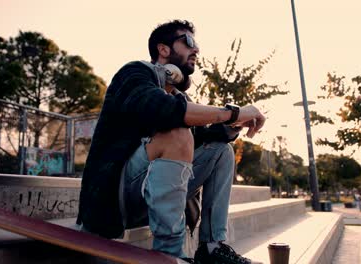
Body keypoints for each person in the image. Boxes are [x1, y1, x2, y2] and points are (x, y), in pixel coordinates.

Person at [77, 19, 265, 264]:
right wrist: (234, 112)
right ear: (163, 49)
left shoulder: (179, 96)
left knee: (222, 151)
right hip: (117, 196)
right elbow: (165, 110)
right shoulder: (134, 74)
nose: (196, 49)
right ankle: (170, 254)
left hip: (154, 194)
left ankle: (212, 247)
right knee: (177, 134)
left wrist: (233, 125)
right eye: (188, 42)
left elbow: (203, 138)